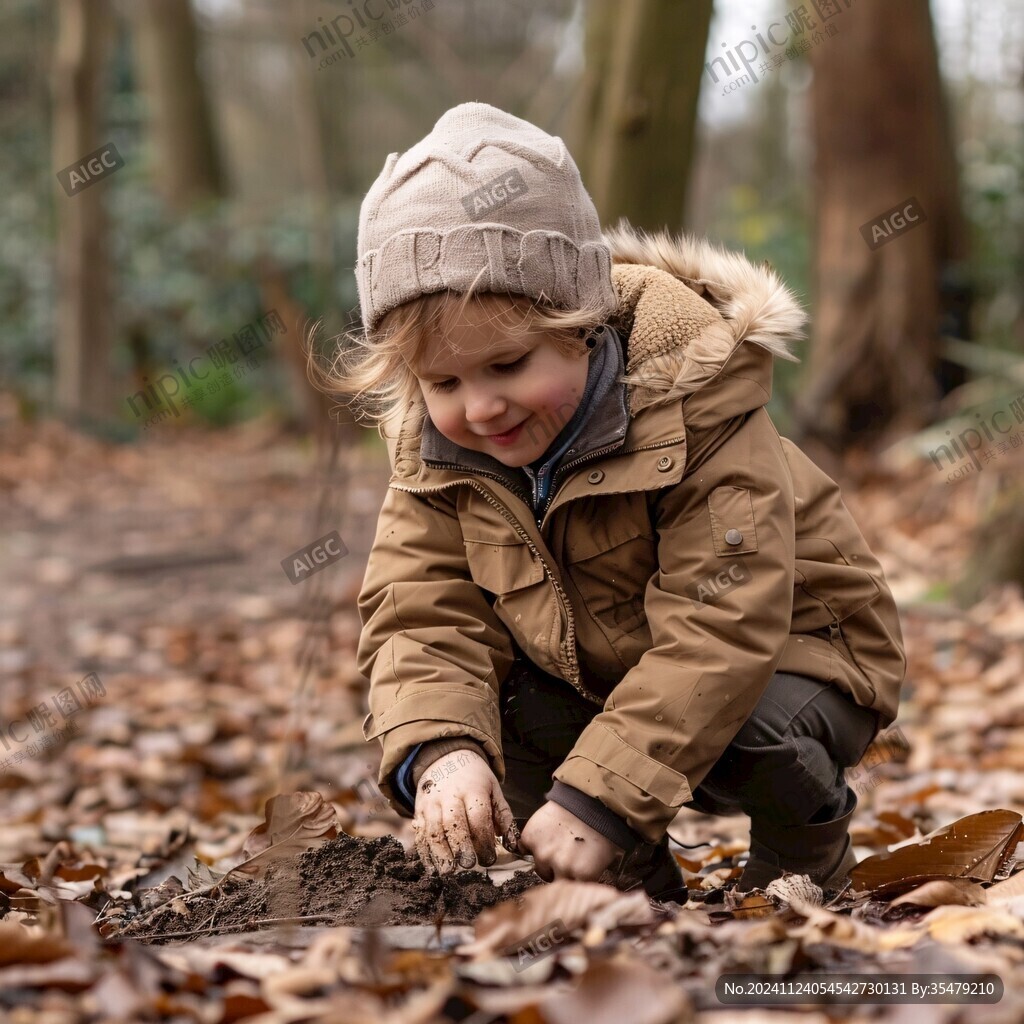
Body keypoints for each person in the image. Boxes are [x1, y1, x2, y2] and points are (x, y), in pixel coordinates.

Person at [328, 102, 906, 902]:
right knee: (503, 708)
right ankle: (629, 886)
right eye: (445, 383)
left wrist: (600, 797)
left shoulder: (696, 402)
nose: (482, 408)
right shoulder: (436, 455)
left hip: (798, 654)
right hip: (604, 669)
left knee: (750, 728)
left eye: (508, 365)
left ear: (582, 323)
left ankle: (804, 852)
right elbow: (419, 612)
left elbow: (725, 622)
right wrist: (440, 748)